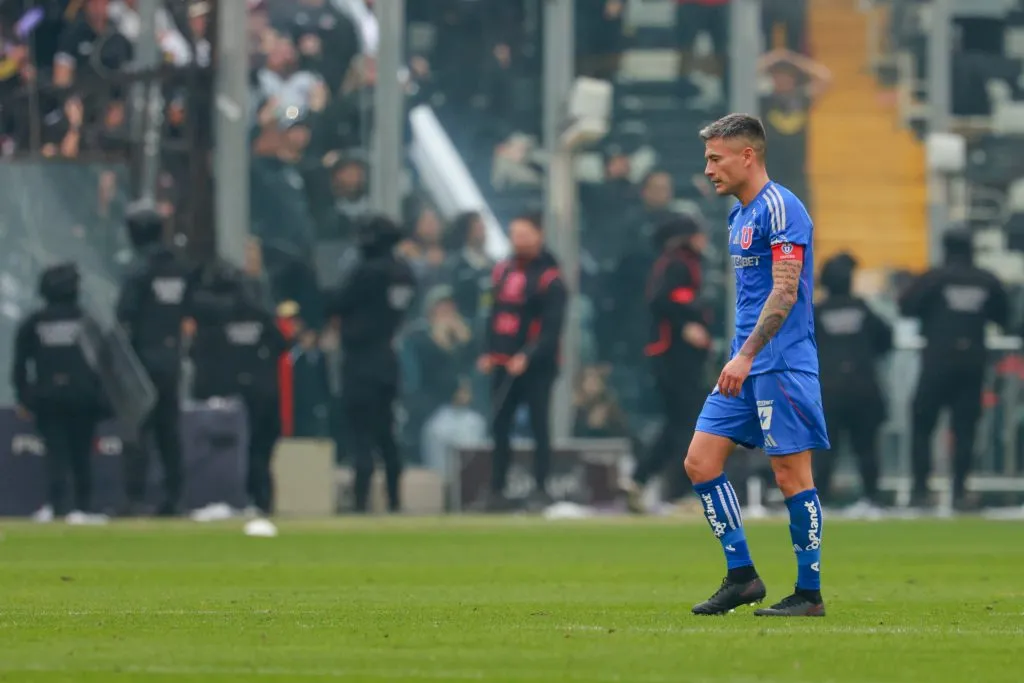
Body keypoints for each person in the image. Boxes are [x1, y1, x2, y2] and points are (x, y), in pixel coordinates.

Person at [686, 113, 830, 617]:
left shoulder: (781, 207)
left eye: (715, 158)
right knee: (700, 461)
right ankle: (743, 575)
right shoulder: (738, 216)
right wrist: (739, 356)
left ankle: (809, 594)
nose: (708, 169)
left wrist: (747, 355)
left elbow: (785, 290)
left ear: (747, 155)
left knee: (791, 474)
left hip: (780, 364)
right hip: (744, 364)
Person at [899, 229, 1008, 511]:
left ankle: (920, 490)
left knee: (922, 425)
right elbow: (1006, 315)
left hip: (936, 363)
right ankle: (960, 492)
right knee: (965, 430)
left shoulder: (934, 278)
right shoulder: (986, 280)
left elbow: (906, 306)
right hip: (972, 365)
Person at [477, 212, 568, 511]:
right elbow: (492, 316)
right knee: (499, 425)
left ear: (538, 235)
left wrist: (527, 355)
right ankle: (496, 489)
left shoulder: (551, 279)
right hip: (502, 363)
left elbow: (551, 328)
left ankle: (541, 487)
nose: (519, 240)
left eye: (525, 234)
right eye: (514, 234)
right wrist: (488, 351)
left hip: (537, 367)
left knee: (539, 425)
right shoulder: (501, 272)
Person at [328, 215, 417, 514]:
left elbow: (338, 301)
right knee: (387, 435)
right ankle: (394, 500)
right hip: (388, 358)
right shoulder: (404, 272)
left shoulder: (367, 273)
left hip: (360, 359)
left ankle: (361, 502)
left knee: (361, 437)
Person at [623, 215, 711, 513]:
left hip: (678, 356)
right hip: (673, 354)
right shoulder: (676, 263)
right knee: (689, 422)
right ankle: (680, 491)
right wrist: (686, 326)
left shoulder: (682, 263)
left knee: (678, 423)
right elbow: (659, 300)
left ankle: (639, 479)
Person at [186, 260, 288, 517]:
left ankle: (231, 500)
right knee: (260, 455)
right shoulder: (259, 313)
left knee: (227, 454)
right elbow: (282, 344)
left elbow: (197, 354)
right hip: (263, 394)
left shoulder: (210, 319)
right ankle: (262, 502)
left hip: (226, 401)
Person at [11, 263, 108, 524]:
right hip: (83, 398)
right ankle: (83, 508)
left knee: (56, 455)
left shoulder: (34, 323)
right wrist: (102, 398)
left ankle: (60, 507)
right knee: (81, 455)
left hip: (48, 398)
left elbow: (20, 365)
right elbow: (103, 363)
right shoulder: (87, 321)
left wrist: (25, 397)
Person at [115, 201, 190, 516]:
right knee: (169, 431)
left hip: (142, 360)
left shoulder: (139, 270)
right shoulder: (176, 267)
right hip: (172, 358)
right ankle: (174, 497)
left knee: (138, 429)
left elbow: (124, 313)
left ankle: (134, 497)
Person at [814, 253, 892, 512]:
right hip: (863, 388)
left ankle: (819, 499)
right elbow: (885, 339)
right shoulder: (863, 309)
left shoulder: (816, 313)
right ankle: (871, 498)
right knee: (866, 447)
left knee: (825, 448)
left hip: (828, 390)